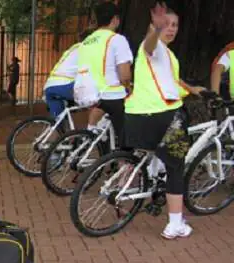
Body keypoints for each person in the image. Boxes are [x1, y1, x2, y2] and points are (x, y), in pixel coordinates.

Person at [124, 3, 204, 240]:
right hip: (164, 115)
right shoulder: (154, 46)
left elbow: (173, 80)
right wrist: (155, 31)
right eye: (166, 24)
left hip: (136, 115)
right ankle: (175, 223)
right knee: (176, 165)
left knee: (158, 154)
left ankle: (151, 180)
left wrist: (193, 89)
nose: (171, 29)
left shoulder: (168, 56)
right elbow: (149, 46)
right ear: (155, 25)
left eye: (175, 25)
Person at [78, 1, 133, 148]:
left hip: (89, 94)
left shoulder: (87, 41)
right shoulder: (117, 39)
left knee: (103, 116)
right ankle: (125, 163)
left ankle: (99, 146)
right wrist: (129, 88)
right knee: (129, 134)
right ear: (115, 19)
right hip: (111, 94)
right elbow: (125, 76)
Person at [43, 30, 92, 117]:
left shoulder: (73, 48)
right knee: (97, 100)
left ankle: (57, 128)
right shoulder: (87, 49)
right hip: (64, 85)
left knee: (59, 124)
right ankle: (93, 128)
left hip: (49, 87)